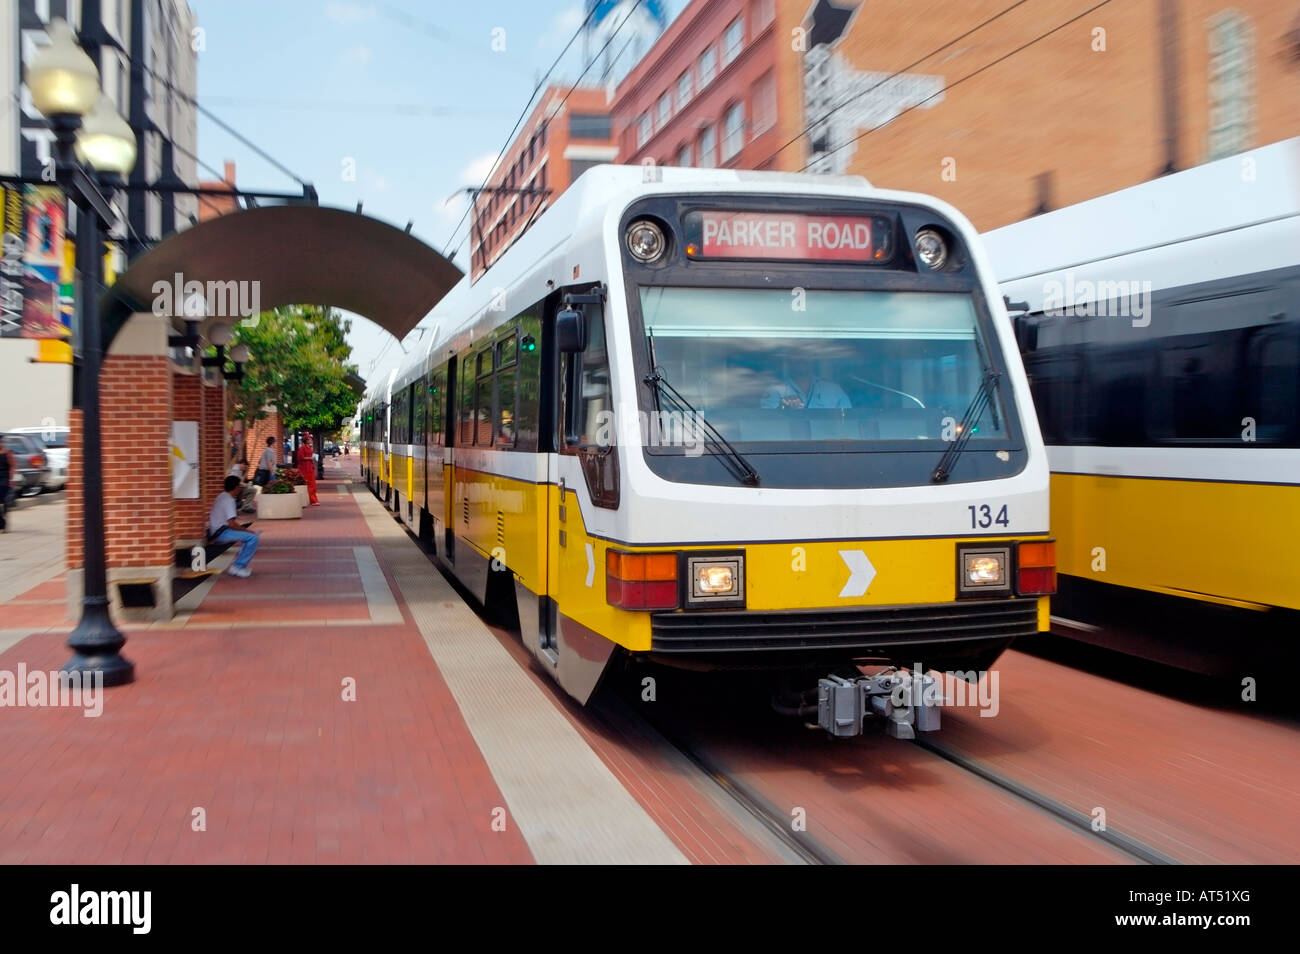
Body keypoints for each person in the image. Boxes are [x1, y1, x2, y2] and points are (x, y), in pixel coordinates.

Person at [209, 475, 259, 577]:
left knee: (249, 538)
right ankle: (237, 566)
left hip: (218, 530)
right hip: (221, 532)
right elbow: (232, 524)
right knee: (253, 538)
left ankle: (240, 564)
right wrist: (247, 531)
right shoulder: (229, 500)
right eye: (239, 487)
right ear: (236, 488)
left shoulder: (222, 496)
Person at [760, 356, 852, 409]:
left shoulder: (834, 390)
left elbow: (848, 425)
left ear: (813, 359)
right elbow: (767, 427)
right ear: (788, 359)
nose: (801, 358)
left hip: (831, 442)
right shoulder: (773, 391)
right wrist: (782, 411)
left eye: (806, 353)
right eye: (796, 354)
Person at [296, 435, 320, 506]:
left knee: (313, 485)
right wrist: (310, 458)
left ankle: (313, 499)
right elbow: (300, 457)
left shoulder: (309, 447)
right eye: (309, 439)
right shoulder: (302, 448)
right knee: (309, 484)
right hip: (304, 468)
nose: (311, 440)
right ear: (306, 440)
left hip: (310, 468)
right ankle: (312, 500)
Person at [0, 440, 16, 533]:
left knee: (4, 502)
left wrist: (11, 479)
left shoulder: (7, 453)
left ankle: (4, 522)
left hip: (4, 479)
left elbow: (13, 466)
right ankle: (2, 522)